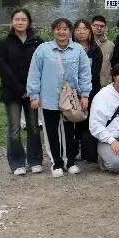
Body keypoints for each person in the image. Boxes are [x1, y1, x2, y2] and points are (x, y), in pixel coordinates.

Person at [26, 18, 92, 177]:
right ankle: (56, 162)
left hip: (70, 99)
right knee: (51, 131)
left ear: (70, 31)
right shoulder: (43, 49)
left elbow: (84, 73)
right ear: (53, 31)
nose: (61, 32)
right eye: (58, 29)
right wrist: (34, 95)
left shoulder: (78, 50)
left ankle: (70, 161)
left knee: (69, 131)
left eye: (65, 29)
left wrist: (85, 94)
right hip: (49, 97)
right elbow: (34, 73)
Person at [0, 8, 44, 175]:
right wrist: (20, 89)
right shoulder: (4, 42)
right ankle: (17, 163)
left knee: (33, 126)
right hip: (11, 91)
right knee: (14, 128)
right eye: (17, 19)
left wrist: (31, 90)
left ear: (29, 22)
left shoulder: (37, 42)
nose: (20, 22)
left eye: (23, 19)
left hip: (33, 92)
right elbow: (3, 69)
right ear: (12, 22)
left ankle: (35, 160)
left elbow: (41, 67)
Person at [72, 19, 103, 162]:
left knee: (88, 120)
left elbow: (95, 74)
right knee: (73, 120)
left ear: (89, 31)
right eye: (78, 29)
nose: (81, 32)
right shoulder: (70, 49)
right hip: (73, 91)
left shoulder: (95, 50)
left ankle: (88, 152)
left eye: (84, 29)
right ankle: (72, 150)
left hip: (91, 90)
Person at [91, 15, 114, 87]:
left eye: (102, 26)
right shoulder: (86, 44)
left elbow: (114, 64)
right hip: (88, 85)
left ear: (105, 28)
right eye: (96, 25)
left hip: (106, 85)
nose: (99, 28)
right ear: (91, 26)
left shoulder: (111, 45)